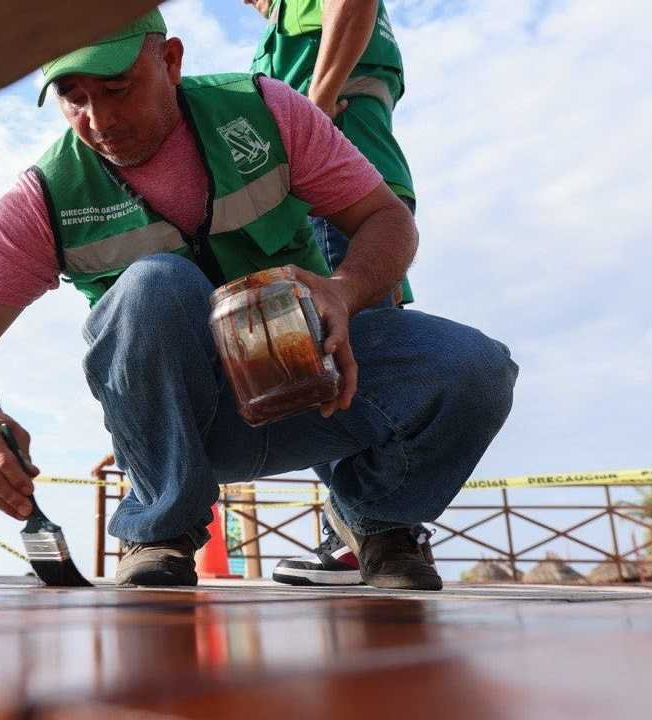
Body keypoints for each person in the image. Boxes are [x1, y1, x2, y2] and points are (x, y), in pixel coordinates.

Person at [0, 10, 516, 590]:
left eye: (118, 87)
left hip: (318, 387)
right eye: (74, 98)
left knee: (475, 369)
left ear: (172, 60)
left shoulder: (266, 113)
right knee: (155, 282)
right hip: (186, 424)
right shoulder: (49, 194)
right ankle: (160, 528)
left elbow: (387, 218)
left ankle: (381, 522)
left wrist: (345, 289)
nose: (100, 119)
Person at [245, 0, 431, 585]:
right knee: (371, 360)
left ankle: (369, 530)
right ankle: (374, 528)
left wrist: (316, 104)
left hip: (336, 197)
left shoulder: (296, 8)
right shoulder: (283, 25)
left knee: (326, 358)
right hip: (373, 194)